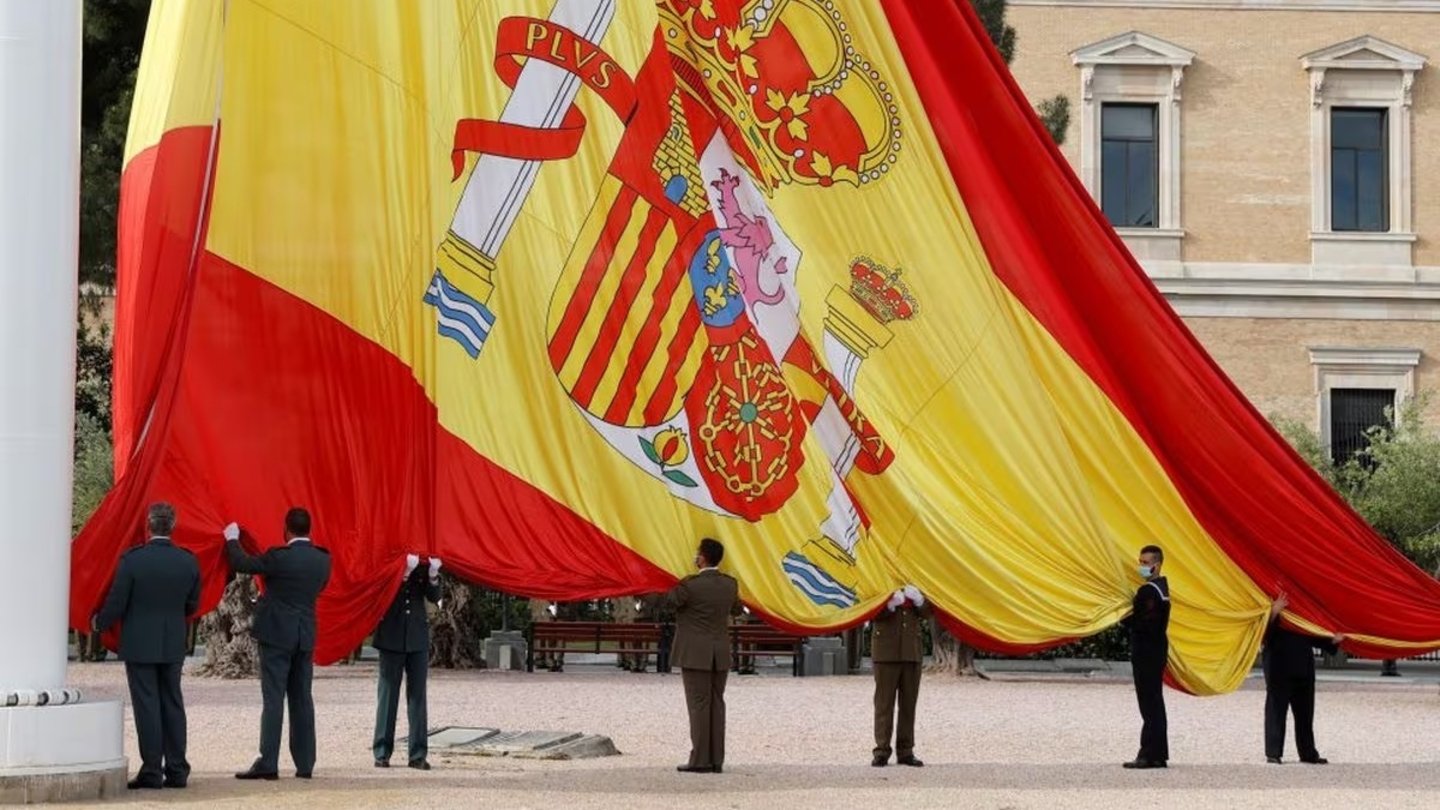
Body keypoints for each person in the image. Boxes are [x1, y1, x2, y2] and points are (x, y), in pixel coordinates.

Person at [92, 502, 201, 790]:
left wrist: (98, 623)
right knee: (173, 704)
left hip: (140, 643)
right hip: (173, 641)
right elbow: (193, 603)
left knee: (147, 706)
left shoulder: (133, 560)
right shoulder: (188, 561)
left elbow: (117, 601)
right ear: (172, 525)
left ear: (148, 525)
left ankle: (152, 771)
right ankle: (177, 770)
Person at [222, 508, 332, 780]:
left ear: (287, 529)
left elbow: (242, 563)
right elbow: (319, 589)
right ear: (310, 529)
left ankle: (268, 762)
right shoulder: (322, 560)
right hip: (304, 634)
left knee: (273, 699)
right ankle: (305, 764)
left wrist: (232, 538)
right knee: (302, 699)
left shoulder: (278, 557)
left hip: (276, 635)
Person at [665, 537, 740, 774]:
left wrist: (644, 586)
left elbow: (668, 603)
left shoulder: (690, 586)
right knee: (717, 705)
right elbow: (736, 609)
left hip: (695, 654)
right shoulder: (730, 584)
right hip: (720, 653)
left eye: (697, 553)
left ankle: (699, 760)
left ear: (703, 557)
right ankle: (716, 759)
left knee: (699, 706)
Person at [372, 554, 442, 770]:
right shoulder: (389, 560)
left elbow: (434, 597)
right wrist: (402, 574)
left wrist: (432, 575)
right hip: (392, 634)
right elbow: (382, 592)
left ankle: (418, 753)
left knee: (417, 696)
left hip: (416, 636)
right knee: (388, 695)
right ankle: (382, 751)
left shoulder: (422, 562)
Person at [1262, 592, 1343, 764]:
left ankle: (1308, 753)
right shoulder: (1271, 604)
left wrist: (1332, 642)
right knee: (1276, 710)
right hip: (1279, 667)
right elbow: (1261, 634)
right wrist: (1274, 611)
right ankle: (1273, 753)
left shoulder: (1302, 612)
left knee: (1305, 713)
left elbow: (1312, 636)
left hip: (1303, 668)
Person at [1122, 544, 1170, 770]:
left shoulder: (1149, 591)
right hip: (1157, 649)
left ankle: (1148, 754)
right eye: (1140, 562)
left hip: (1147, 651)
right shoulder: (1162, 587)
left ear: (1156, 565)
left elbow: (1145, 623)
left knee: (1149, 703)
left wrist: (1124, 619)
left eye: (1145, 563)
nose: (1141, 566)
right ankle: (1159, 754)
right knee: (1155, 702)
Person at [871, 584, 927, 768]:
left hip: (911, 650)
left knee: (908, 704)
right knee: (883, 704)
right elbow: (868, 611)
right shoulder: (879, 577)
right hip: (886, 650)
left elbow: (930, 612)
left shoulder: (918, 576)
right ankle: (881, 750)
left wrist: (920, 601)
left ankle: (906, 750)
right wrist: (888, 606)